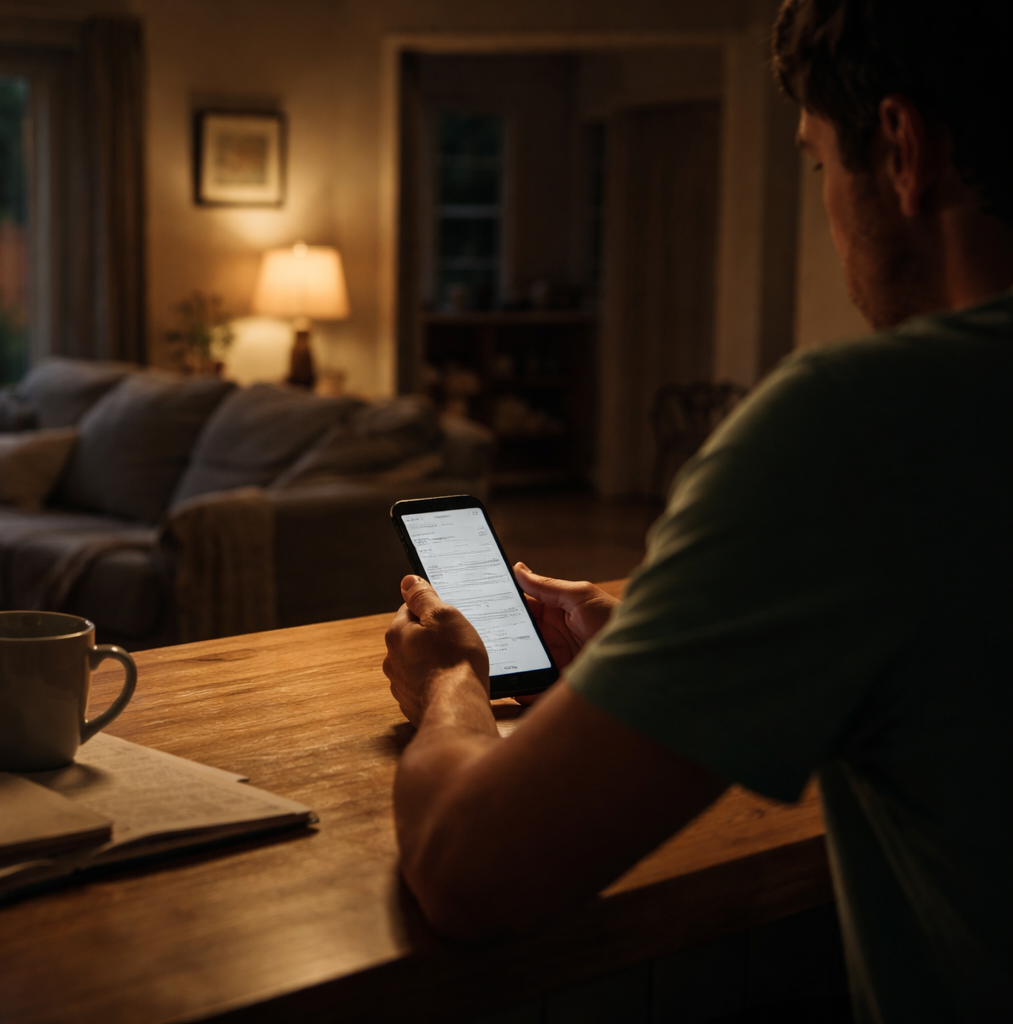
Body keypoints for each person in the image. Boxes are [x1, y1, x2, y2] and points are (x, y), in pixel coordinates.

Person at [380, 1, 1012, 1020]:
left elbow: (468, 870)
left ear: (902, 149)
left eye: (816, 165)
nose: (828, 204)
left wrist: (453, 682)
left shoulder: (855, 428)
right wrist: (668, 655)